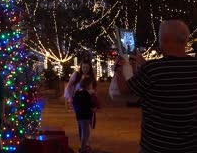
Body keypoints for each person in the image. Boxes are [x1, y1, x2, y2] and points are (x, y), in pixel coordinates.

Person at [115, 20, 197, 153]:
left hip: (157, 146)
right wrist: (145, 64)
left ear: (164, 39)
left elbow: (124, 90)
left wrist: (119, 68)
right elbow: (171, 73)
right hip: (190, 146)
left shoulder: (153, 69)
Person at [73, 77, 95, 153]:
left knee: (83, 131)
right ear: (88, 84)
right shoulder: (86, 93)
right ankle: (83, 149)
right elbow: (87, 104)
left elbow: (75, 104)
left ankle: (83, 147)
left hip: (79, 115)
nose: (92, 86)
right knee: (85, 133)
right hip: (85, 115)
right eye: (91, 84)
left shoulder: (77, 92)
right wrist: (92, 108)